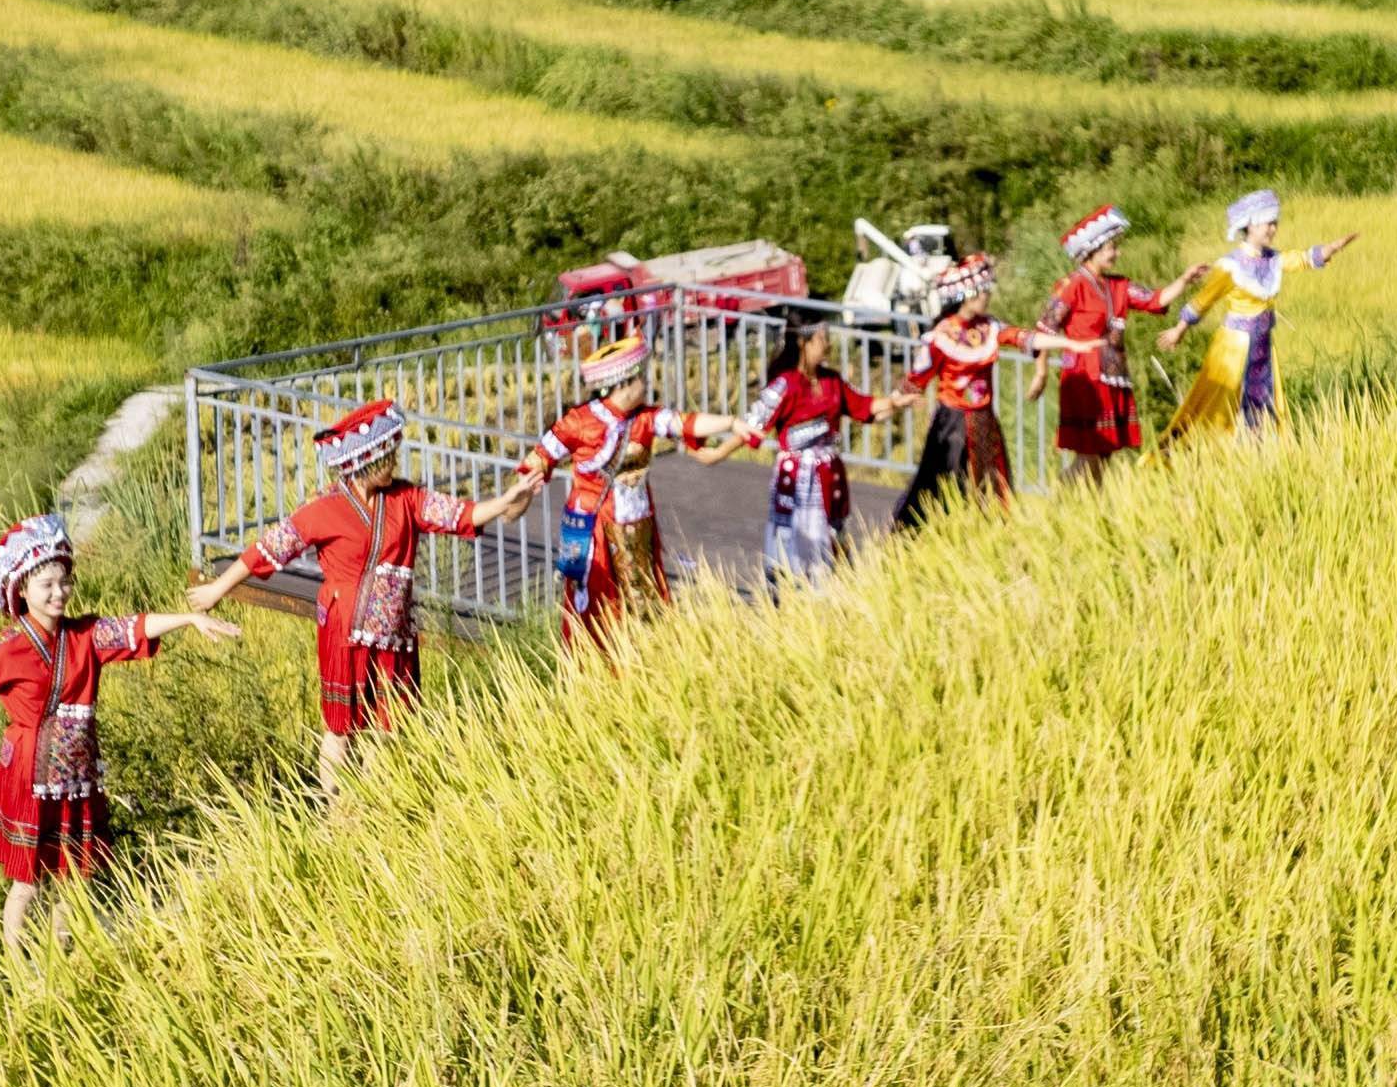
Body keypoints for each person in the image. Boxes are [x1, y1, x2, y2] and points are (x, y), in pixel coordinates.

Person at [0, 515, 241, 937]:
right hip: (31, 774)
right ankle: (15, 964)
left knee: (75, 873)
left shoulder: (84, 636)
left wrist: (189, 619)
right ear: (22, 590)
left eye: (63, 582)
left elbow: (133, 627)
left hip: (78, 774)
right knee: (28, 880)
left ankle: (62, 949)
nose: (58, 593)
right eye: (46, 585)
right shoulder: (7, 648)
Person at [185, 397, 529, 784]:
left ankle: (371, 804)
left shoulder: (406, 498)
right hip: (345, 629)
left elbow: (457, 515)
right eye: (388, 458)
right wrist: (217, 588)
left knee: (390, 725)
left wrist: (502, 503)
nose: (395, 464)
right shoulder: (323, 509)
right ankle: (333, 812)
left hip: (394, 631)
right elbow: (266, 550)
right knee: (341, 728)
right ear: (366, 465)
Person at [514, 333, 726, 641]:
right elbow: (539, 458)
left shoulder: (644, 418)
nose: (646, 382)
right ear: (623, 383)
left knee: (645, 600)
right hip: (595, 530)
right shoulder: (580, 422)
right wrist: (518, 495)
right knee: (597, 605)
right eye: (641, 377)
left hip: (638, 526)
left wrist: (732, 424)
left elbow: (687, 423)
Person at [709, 323, 892, 587]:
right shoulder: (785, 385)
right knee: (792, 535)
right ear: (803, 343)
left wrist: (898, 401)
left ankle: (830, 590)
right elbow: (754, 425)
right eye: (822, 339)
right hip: (797, 478)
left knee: (832, 532)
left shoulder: (832, 380)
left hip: (830, 474)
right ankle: (789, 593)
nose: (827, 344)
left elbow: (864, 407)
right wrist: (719, 452)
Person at [1161, 192, 1355, 437]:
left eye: (1275, 223)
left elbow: (1300, 259)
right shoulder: (1230, 266)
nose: (1273, 229)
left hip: (1263, 344)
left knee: (1263, 401)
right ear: (1251, 225)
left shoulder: (1272, 259)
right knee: (1221, 405)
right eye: (1268, 223)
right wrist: (1179, 329)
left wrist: (1331, 248)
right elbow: (1203, 300)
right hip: (1234, 347)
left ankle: (1257, 455)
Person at [1040, 209, 1175, 478]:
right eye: (1112, 248)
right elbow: (1044, 327)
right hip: (1084, 377)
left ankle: (1093, 508)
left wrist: (1184, 280)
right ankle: (1062, 496)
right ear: (1094, 250)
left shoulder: (1118, 285)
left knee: (1105, 454)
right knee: (1090, 451)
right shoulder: (1072, 285)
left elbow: (1155, 300)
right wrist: (1041, 371)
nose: (1117, 253)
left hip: (1112, 375)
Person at [886, 271, 1022, 523]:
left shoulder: (987, 326)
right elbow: (919, 375)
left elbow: (1019, 336)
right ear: (966, 296)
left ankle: (989, 533)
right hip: (953, 422)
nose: (986, 296)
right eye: (982, 292)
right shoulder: (944, 334)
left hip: (984, 420)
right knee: (941, 482)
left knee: (991, 483)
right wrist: (892, 401)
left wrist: (1065, 342)